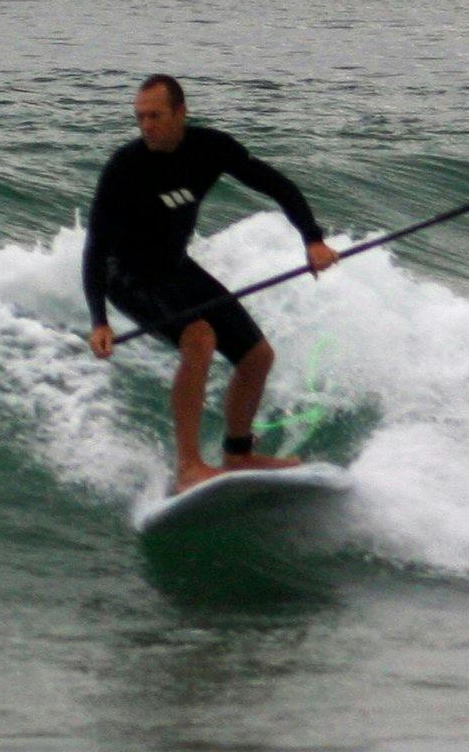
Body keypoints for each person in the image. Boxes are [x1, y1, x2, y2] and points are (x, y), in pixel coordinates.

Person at [83, 73, 339, 490]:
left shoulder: (210, 148)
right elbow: (94, 247)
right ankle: (188, 467)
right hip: (126, 273)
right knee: (198, 336)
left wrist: (312, 240)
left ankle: (237, 453)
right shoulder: (125, 167)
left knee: (257, 356)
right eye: (140, 117)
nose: (147, 126)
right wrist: (99, 321)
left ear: (182, 113)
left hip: (174, 266)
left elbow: (276, 185)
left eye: (156, 116)